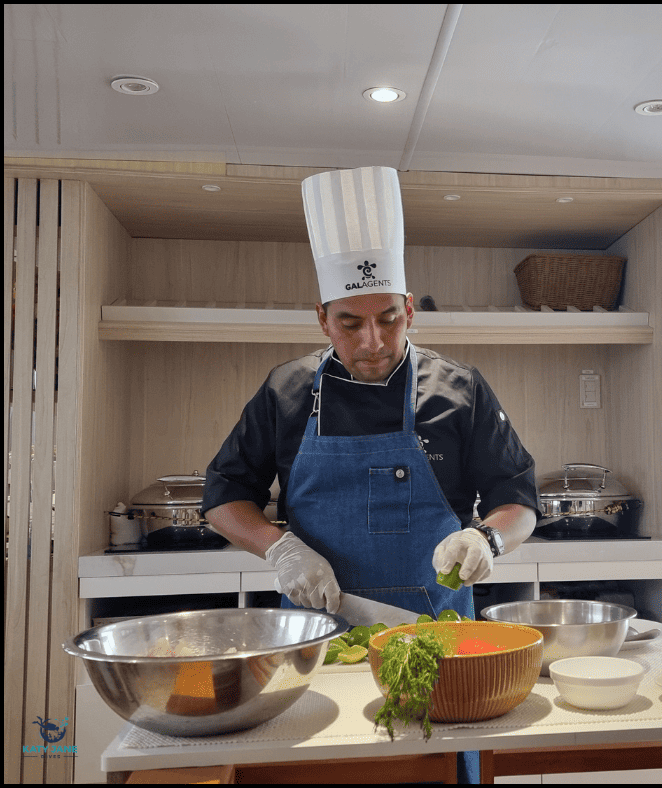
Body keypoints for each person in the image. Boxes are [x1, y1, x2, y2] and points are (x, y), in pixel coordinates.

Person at [201, 167, 538, 783]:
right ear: (322, 318)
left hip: (433, 642)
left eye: (389, 318)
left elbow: (518, 499)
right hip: (314, 639)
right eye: (350, 323)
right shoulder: (286, 391)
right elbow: (223, 495)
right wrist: (280, 549)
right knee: (313, 762)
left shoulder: (458, 391)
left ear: (411, 308)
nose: (374, 341)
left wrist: (486, 539)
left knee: (424, 763)